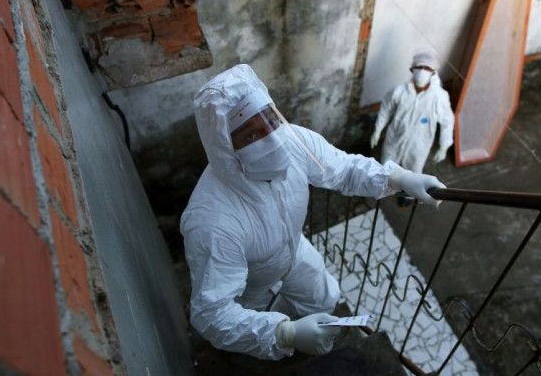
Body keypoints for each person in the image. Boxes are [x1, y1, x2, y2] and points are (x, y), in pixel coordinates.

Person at [180, 64, 445, 360]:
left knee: (324, 297)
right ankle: (278, 335)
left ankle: (304, 329)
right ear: (226, 148)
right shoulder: (213, 222)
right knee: (249, 327)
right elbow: (212, 314)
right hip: (248, 285)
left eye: (270, 119)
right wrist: (284, 334)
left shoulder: (294, 142)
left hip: (292, 250)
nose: (272, 138)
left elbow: (342, 169)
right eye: (251, 135)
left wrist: (396, 179)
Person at [370, 51, 455, 174]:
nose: (422, 71)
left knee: (412, 178)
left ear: (433, 72)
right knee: (386, 172)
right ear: (412, 69)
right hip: (394, 140)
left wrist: (444, 146)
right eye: (419, 67)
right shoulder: (399, 91)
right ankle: (383, 191)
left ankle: (407, 193)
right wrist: (378, 130)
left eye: (427, 68)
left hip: (418, 147)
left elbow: (447, 121)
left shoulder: (439, 97)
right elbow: (386, 109)